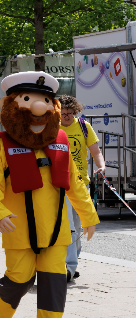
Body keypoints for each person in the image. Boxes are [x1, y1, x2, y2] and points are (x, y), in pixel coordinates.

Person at [0, 71, 99, 318]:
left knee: (53, 281)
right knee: (20, 277)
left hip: (57, 230)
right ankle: (1, 307)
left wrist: (88, 215)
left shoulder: (59, 142)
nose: (39, 107)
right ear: (13, 105)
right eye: (28, 99)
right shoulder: (2, 146)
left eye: (46, 100)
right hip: (19, 229)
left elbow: (75, 183)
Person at [58, 95, 105, 282]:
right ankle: (69, 267)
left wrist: (101, 166)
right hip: (62, 183)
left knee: (78, 225)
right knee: (69, 225)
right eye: (63, 114)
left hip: (81, 182)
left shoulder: (84, 127)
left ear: (75, 112)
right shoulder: (52, 128)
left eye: (70, 113)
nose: (67, 117)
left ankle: (73, 260)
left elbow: (96, 152)